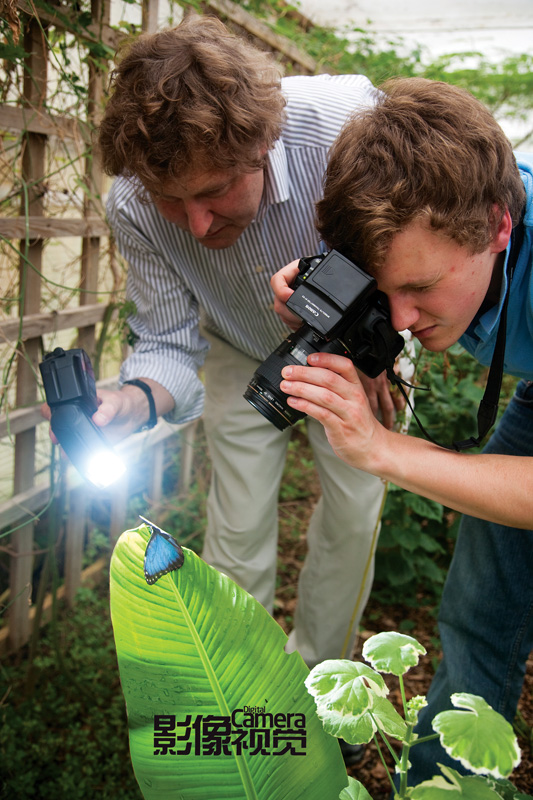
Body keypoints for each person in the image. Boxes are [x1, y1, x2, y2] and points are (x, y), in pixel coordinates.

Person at [82, 12, 412, 726]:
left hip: (352, 352)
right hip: (235, 344)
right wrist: (134, 398)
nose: (196, 226)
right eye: (174, 201)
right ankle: (244, 698)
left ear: (262, 146)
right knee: (235, 524)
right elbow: (169, 340)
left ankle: (321, 691)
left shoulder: (347, 123)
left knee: (354, 511)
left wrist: (377, 338)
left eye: (212, 193)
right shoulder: (133, 203)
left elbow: (413, 230)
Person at [271, 76, 533, 783]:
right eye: (382, 293)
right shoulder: (434, 243)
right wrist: (354, 326)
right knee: (484, 585)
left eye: (417, 290)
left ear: (498, 227)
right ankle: (442, 787)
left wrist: (383, 450)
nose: (404, 318)